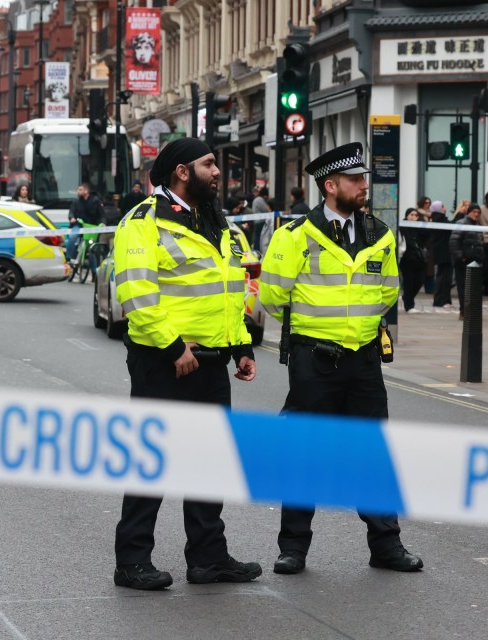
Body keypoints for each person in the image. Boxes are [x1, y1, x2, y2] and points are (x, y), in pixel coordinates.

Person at [260, 141, 423, 575]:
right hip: (314, 360)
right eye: (355, 180)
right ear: (330, 186)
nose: (363, 185)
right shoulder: (295, 236)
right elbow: (273, 295)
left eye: (363, 178)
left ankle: (386, 547)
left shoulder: (380, 234)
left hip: (365, 360)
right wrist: (319, 327)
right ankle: (293, 548)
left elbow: (389, 291)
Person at [112, 137, 261, 590]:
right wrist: (173, 348)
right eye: (210, 164)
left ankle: (208, 558)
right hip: (165, 361)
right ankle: (132, 561)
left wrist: (241, 347)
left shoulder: (222, 226)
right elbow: (138, 294)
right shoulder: (143, 222)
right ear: (181, 170)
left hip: (212, 364)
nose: (218, 172)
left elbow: (233, 294)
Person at [449, 202, 484, 319]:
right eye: (474, 212)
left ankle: (470, 311)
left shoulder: (478, 225)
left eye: (478, 212)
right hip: (463, 262)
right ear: (469, 212)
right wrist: (461, 257)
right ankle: (463, 311)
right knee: (463, 287)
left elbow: (480, 243)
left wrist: (480, 258)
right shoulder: (461, 223)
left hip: (475, 261)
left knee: (473, 288)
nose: (476, 214)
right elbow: (454, 242)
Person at [66, 182, 103, 264]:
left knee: (92, 248)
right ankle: (68, 257)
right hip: (79, 225)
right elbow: (71, 211)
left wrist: (102, 223)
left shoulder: (95, 201)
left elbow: (101, 214)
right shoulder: (76, 201)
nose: (78, 191)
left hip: (91, 226)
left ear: (86, 191)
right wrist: (72, 218)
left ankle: (94, 272)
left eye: (80, 190)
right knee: (73, 236)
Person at [399, 208, 427, 313]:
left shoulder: (419, 227)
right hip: (406, 259)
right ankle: (409, 305)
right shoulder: (403, 226)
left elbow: (427, 235)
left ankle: (407, 297)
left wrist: (423, 221)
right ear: (407, 216)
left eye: (416, 215)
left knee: (420, 281)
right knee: (409, 283)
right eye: (411, 214)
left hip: (418, 259)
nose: (414, 217)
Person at [429, 200, 453, 308]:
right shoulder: (439, 218)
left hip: (443, 252)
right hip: (443, 252)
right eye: (442, 206)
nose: (445, 209)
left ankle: (445, 300)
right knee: (443, 277)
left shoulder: (438, 218)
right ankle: (440, 300)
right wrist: (459, 213)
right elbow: (451, 226)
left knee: (445, 276)